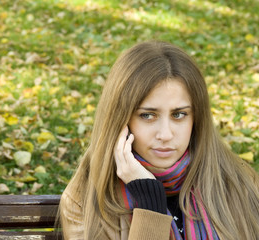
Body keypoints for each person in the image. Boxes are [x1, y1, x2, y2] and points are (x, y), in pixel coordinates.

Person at [59, 41, 259, 239]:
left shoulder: (240, 185)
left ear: (196, 119)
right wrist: (149, 204)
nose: (165, 134)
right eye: (147, 115)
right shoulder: (85, 201)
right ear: (121, 120)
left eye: (179, 114)